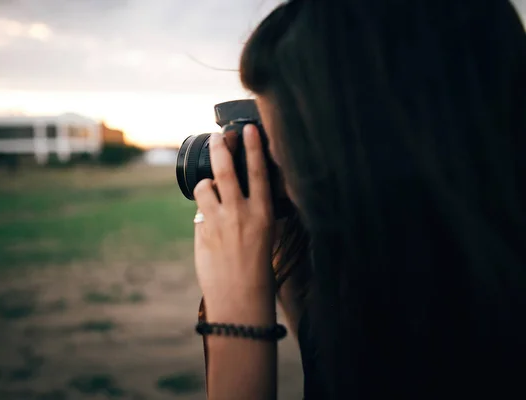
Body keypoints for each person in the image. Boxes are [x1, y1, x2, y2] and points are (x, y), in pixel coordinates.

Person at [192, 0, 526, 398]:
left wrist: (235, 313)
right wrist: (288, 255)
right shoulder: (433, 280)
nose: (283, 184)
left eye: (286, 157)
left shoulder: (443, 342)